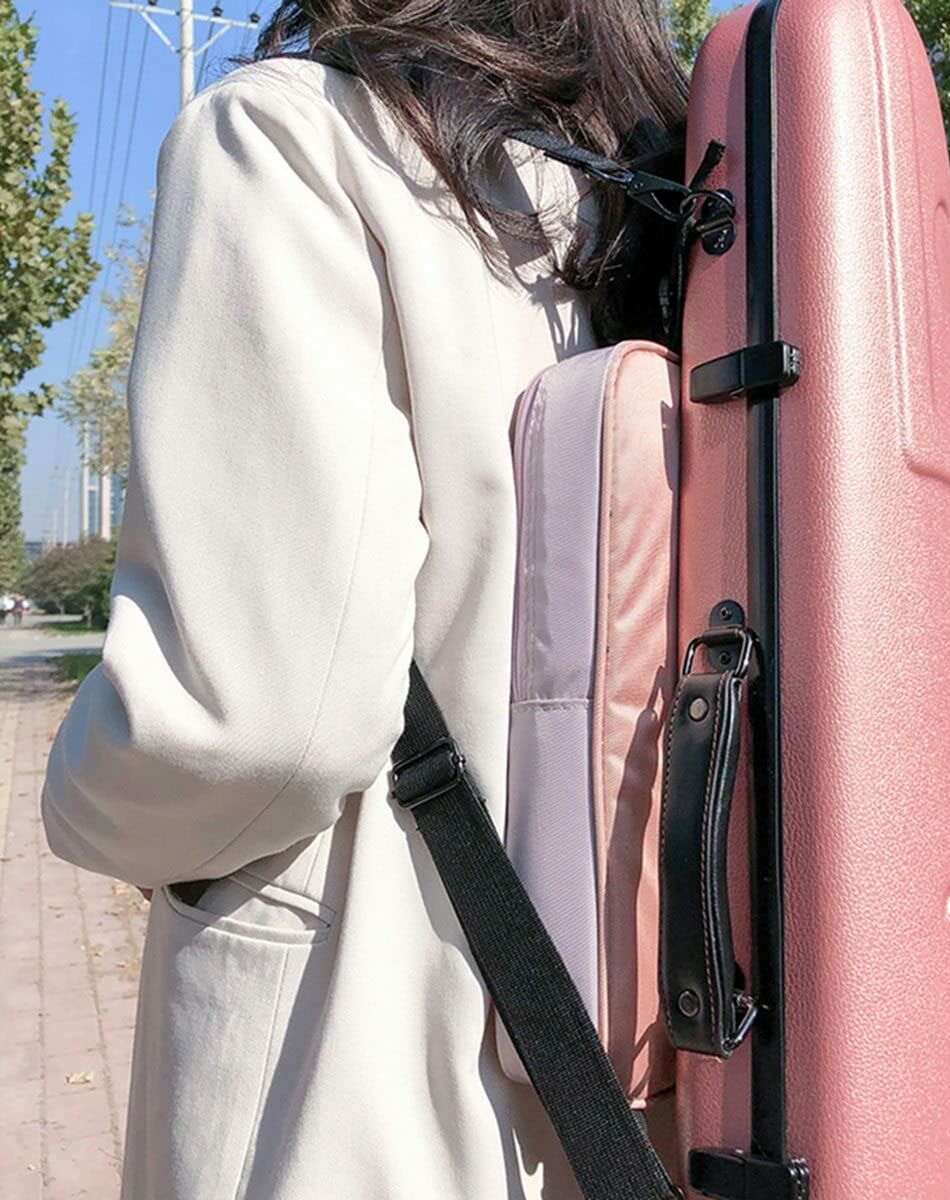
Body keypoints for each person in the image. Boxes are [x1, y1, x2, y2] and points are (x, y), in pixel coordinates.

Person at [40, 3, 685, 1198]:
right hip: (652, 1084)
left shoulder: (291, 141)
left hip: (361, 1074)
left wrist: (79, 800)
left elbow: (249, 725)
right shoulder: (669, 193)